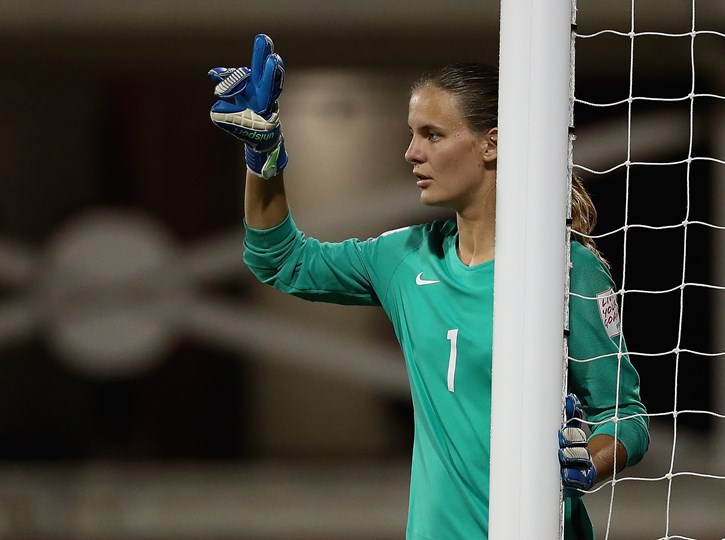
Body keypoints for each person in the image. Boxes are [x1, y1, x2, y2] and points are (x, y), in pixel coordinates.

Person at [208, 34, 650, 540]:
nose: (411, 152)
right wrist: (261, 153)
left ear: (492, 142)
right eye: (412, 134)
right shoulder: (403, 259)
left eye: (433, 135)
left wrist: (588, 462)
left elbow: (624, 416)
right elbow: (280, 260)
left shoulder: (566, 268)